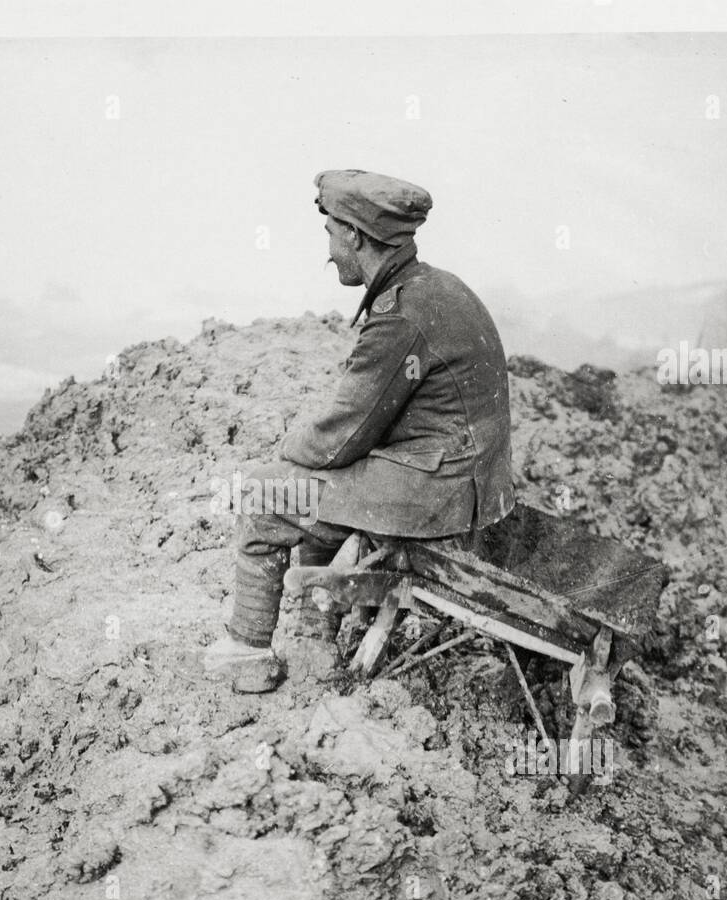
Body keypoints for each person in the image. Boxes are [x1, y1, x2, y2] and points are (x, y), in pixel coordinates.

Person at [204, 169, 515, 692]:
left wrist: (287, 454)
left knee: (265, 495)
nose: (328, 251)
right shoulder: (434, 286)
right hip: (469, 478)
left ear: (354, 235)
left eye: (331, 233)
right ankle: (315, 624)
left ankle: (247, 655)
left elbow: (343, 434)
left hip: (442, 492)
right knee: (318, 483)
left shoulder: (401, 315)